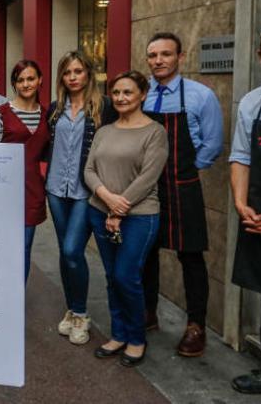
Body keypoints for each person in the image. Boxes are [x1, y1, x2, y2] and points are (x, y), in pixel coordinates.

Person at [141, 32, 223, 357]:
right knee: (146, 253)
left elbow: (213, 144)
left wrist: (185, 171)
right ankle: (148, 312)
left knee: (191, 257)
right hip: (147, 186)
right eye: (153, 55)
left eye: (165, 54)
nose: (158, 60)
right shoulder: (142, 96)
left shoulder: (201, 96)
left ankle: (196, 325)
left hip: (183, 187)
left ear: (180, 57)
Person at [85, 70, 168, 368]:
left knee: (126, 276)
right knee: (111, 277)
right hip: (100, 211)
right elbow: (89, 170)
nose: (120, 98)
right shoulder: (105, 130)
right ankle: (118, 333)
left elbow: (149, 177)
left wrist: (119, 209)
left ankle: (136, 338)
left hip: (139, 217)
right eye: (116, 92)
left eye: (128, 92)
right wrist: (107, 199)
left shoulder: (155, 132)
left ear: (143, 95)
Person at [46, 52, 117, 345]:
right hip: (55, 189)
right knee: (65, 252)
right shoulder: (54, 109)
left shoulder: (105, 108)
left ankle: (81, 312)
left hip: (84, 191)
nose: (73, 77)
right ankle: (72, 309)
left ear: (88, 74)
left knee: (74, 251)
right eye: (67, 72)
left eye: (78, 71)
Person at [0, 60, 50, 281]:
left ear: (40, 80)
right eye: (20, 80)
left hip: (32, 192)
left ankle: (15, 303)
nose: (25, 84)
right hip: (2, 193)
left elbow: (48, 155)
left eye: (30, 78)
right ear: (14, 84)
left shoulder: (48, 115)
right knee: (0, 248)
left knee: (24, 248)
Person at [229, 28, 261, 395]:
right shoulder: (252, 103)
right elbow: (241, 156)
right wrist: (242, 205)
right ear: (260, 56)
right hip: (259, 216)